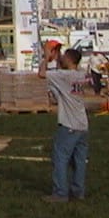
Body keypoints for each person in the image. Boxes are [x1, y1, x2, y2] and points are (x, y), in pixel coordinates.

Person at [38, 41, 87, 202]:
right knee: (79, 161)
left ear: (71, 60)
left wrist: (46, 57)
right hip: (82, 124)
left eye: (65, 56)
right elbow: (61, 70)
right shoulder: (80, 74)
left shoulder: (65, 76)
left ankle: (60, 193)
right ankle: (78, 191)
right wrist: (57, 57)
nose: (62, 58)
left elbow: (42, 74)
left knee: (60, 158)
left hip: (69, 124)